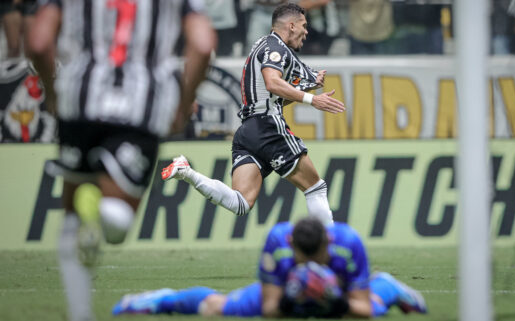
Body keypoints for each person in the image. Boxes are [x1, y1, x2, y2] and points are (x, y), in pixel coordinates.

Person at [26, 1, 217, 321]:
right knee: (118, 223)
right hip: (141, 105)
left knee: (73, 214)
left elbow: (38, 41)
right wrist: (183, 103)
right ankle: (102, 214)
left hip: (80, 99)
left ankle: (79, 313)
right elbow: (203, 43)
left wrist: (53, 92)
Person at [161, 3, 345, 225]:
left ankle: (187, 172)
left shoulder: (262, 44)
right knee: (315, 188)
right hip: (268, 126)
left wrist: (305, 87)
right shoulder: (275, 48)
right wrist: (312, 99)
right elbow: (272, 82)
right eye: (304, 26)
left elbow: (271, 93)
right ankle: (329, 249)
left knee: (241, 203)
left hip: (248, 131)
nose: (307, 31)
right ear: (292, 25)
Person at [112, 218, 427, 318]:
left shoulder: (348, 242)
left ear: (326, 246)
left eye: (317, 259)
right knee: (216, 308)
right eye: (305, 260)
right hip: (287, 292)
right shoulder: (278, 241)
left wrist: (335, 300)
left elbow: (361, 309)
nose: (312, 265)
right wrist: (294, 296)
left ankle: (388, 286)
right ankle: (160, 300)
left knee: (372, 310)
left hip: (339, 290)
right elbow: (271, 308)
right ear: (293, 247)